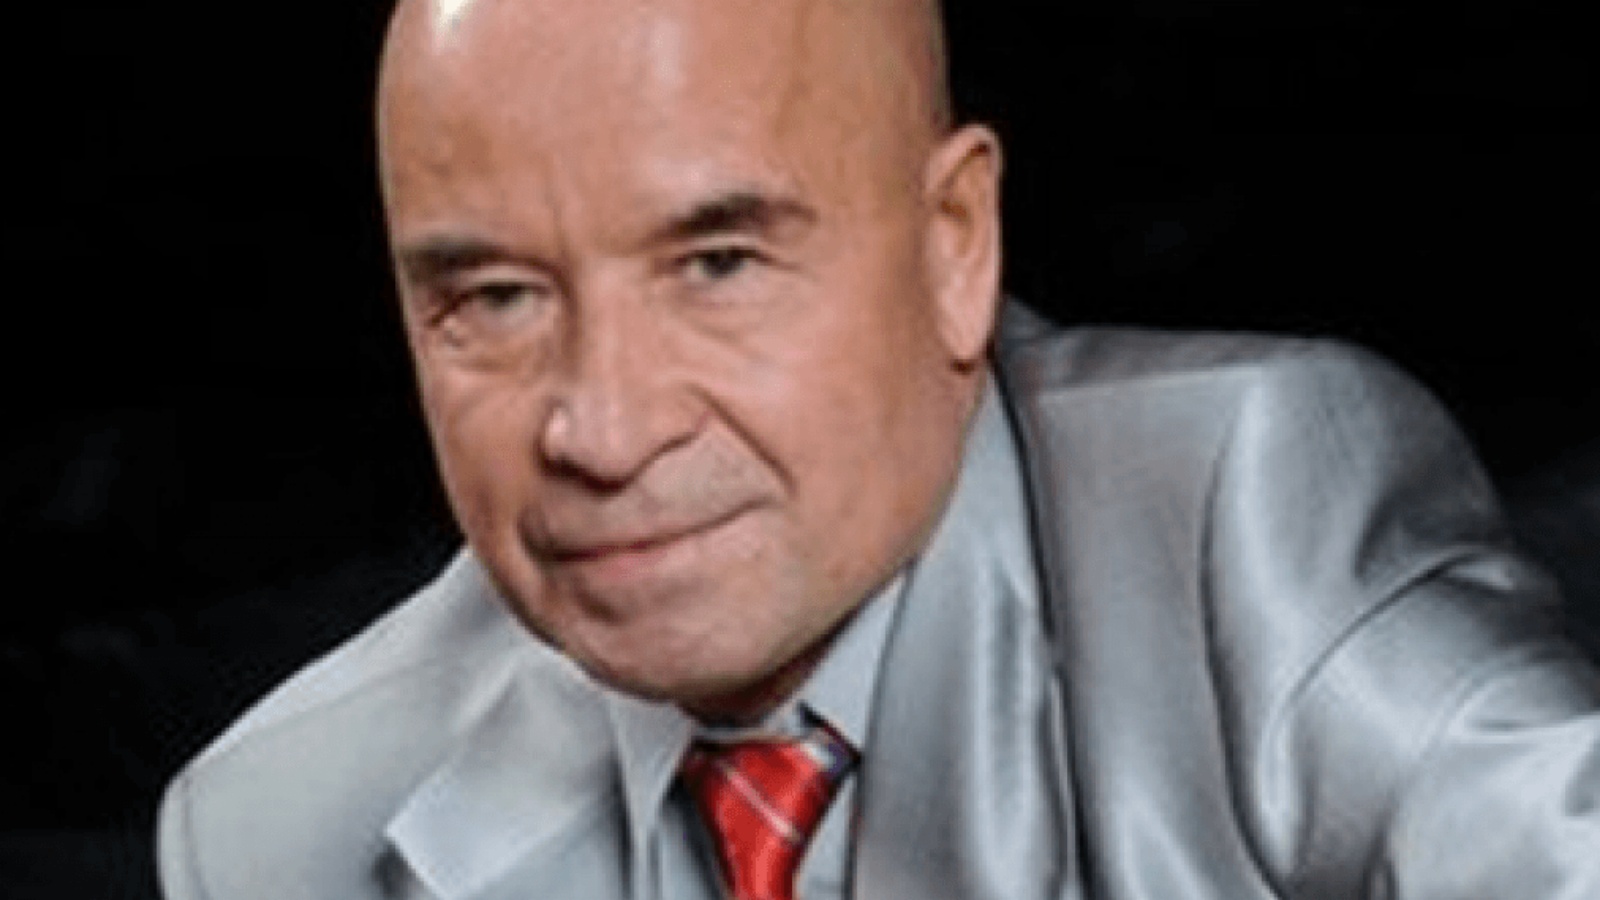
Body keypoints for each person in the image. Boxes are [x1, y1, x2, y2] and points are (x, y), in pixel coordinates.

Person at [156, 0, 1600, 897]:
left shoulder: (1247, 532)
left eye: (717, 264)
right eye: (494, 298)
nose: (603, 427)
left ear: (955, 245)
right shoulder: (276, 834)